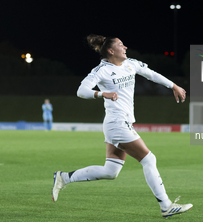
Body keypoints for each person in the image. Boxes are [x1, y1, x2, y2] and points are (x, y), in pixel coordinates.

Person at [52, 34, 192, 218]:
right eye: (120, 45)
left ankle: (64, 177)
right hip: (117, 123)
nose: (125, 47)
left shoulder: (130, 63)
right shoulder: (101, 70)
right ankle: (166, 205)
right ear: (111, 51)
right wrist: (102, 94)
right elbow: (81, 91)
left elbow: (151, 74)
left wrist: (173, 85)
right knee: (149, 159)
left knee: (110, 171)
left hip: (122, 123)